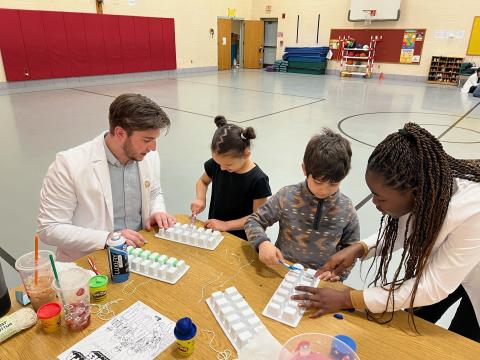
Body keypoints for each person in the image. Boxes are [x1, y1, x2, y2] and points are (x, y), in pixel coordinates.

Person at [292, 123, 480, 342]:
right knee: (413, 322)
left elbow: (433, 286)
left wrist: (348, 299)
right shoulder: (427, 190)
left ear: (416, 193)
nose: (374, 202)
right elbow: (403, 229)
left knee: (462, 341)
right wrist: (360, 248)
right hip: (451, 268)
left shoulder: (471, 210)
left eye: (380, 198)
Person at [38, 93, 176, 261]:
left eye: (155, 140)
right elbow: (50, 228)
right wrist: (108, 238)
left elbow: (154, 192)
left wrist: (157, 211)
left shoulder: (147, 155)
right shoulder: (68, 165)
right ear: (120, 133)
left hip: (139, 252)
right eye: (147, 140)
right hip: (91, 260)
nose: (153, 148)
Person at [245, 129, 359, 273]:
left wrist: (338, 274)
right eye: (318, 182)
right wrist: (262, 243)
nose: (324, 190)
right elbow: (254, 221)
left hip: (321, 279)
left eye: (334, 184)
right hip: (282, 270)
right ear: (304, 169)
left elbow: (351, 249)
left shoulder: (346, 209)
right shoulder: (287, 196)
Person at [190, 116, 271, 240]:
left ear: (246, 154)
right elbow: (203, 181)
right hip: (215, 231)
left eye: (228, 164)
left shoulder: (258, 180)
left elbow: (257, 218)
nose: (222, 168)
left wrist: (226, 225)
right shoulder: (217, 164)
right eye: (218, 163)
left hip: (240, 239)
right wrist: (200, 199)